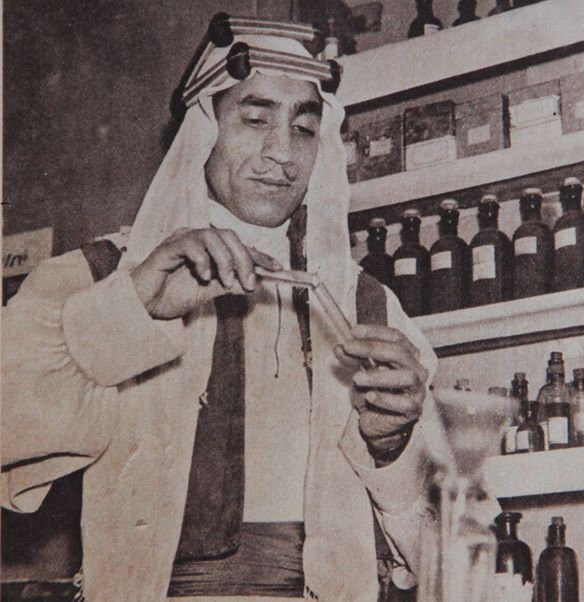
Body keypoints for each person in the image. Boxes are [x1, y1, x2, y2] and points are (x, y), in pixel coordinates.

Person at [1, 14, 443, 602]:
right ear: (203, 130)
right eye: (255, 120)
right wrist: (131, 311)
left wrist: (393, 449)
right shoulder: (100, 275)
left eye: (304, 128)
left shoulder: (370, 307)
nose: (282, 153)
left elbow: (454, 551)